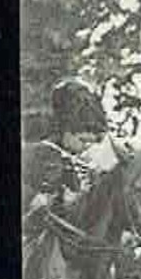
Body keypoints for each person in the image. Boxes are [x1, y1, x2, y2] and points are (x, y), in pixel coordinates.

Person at [23, 77, 109, 220]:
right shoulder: (35, 153)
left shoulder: (81, 163)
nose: (86, 147)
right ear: (65, 130)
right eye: (82, 140)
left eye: (91, 143)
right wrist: (35, 197)